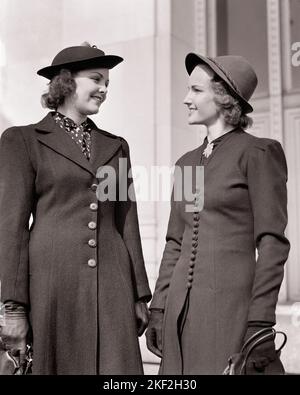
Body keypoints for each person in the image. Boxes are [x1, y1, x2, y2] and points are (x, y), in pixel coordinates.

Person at [0, 42, 151, 375]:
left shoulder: (116, 147)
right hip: (52, 286)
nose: (104, 89)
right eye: (97, 79)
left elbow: (126, 219)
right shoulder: (22, 141)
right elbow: (11, 228)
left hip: (113, 284)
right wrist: (13, 308)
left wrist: (140, 293)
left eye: (108, 83)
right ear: (65, 82)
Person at [146, 53, 290, 374]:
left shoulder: (259, 153)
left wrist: (261, 318)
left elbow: (272, 243)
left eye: (196, 91)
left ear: (224, 97)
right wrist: (159, 306)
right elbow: (175, 241)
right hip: (180, 314)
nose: (186, 99)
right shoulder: (186, 163)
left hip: (232, 312)